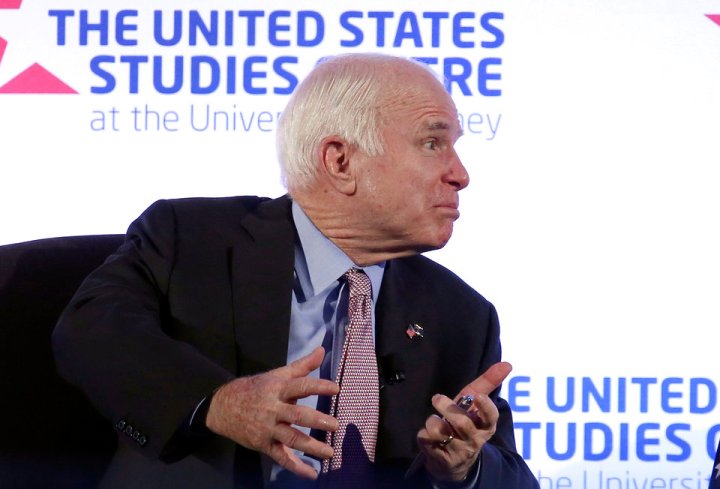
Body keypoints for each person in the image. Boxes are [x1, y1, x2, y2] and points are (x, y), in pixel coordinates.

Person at [52, 53, 539, 489]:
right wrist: (218, 401)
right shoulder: (192, 239)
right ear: (341, 161)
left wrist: (464, 471)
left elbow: (510, 473)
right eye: (433, 143)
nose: (460, 174)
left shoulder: (462, 315)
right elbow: (90, 330)